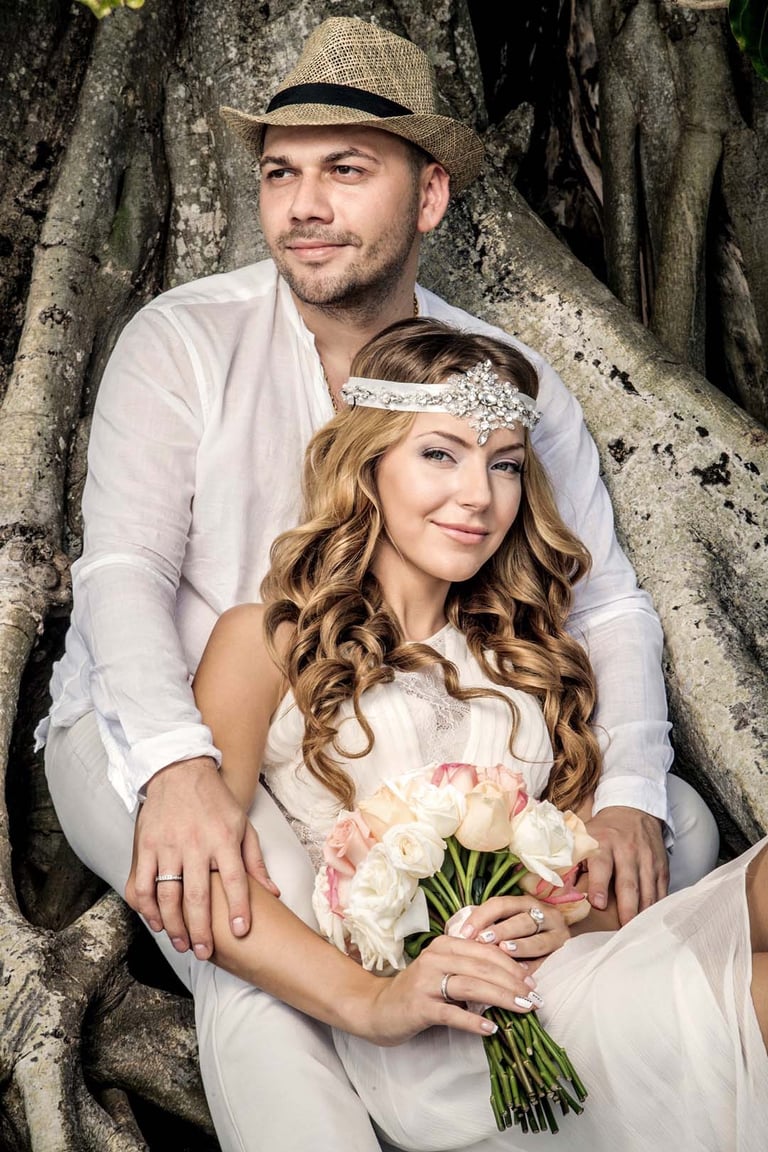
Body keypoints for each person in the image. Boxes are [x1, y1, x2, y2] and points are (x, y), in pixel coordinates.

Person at [36, 15, 719, 1150]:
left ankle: (514, 1095)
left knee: (676, 833)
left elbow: (603, 602)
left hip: (405, 722)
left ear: (432, 197)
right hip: (168, 714)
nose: (304, 206)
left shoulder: (506, 383)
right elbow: (124, 571)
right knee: (246, 936)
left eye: (346, 172)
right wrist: (180, 766)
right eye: (281, 175)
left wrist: (627, 789)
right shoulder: (184, 340)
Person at [191, 317, 768, 1152]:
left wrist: (564, 919)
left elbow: (587, 886)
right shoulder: (265, 641)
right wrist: (374, 1003)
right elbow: (202, 883)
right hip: (440, 1037)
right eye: (440, 453)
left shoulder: (526, 646)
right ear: (368, 462)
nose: (480, 495)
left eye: (503, 464)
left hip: (578, 970)